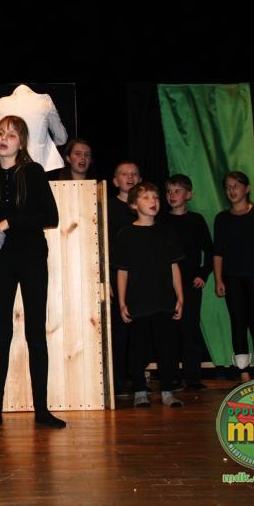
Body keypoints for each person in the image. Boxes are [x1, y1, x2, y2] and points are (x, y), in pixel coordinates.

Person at [0, 115, 65, 431]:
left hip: (33, 256)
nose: (4, 138)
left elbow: (51, 216)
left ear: (21, 142)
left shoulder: (34, 172)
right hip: (2, 259)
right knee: (0, 336)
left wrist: (10, 222)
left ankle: (42, 411)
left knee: (35, 334)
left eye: (12, 134)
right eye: (0, 132)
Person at [114, 181, 185, 408]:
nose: (153, 201)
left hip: (164, 299)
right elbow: (122, 271)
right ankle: (139, 391)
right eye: (146, 198)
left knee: (166, 347)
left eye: (155, 197)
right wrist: (122, 302)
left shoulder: (167, 232)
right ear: (133, 205)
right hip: (138, 300)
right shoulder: (126, 234)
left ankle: (167, 391)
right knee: (137, 347)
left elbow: (174, 266)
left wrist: (180, 297)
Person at [213, 171, 254, 381]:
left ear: (247, 188)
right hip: (232, 277)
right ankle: (243, 372)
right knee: (237, 321)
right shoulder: (222, 218)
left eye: (236, 186)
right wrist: (219, 279)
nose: (232, 190)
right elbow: (218, 252)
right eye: (228, 187)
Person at [162, 174, 213, 390]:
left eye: (177, 191)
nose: (172, 195)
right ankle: (172, 377)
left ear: (188, 195)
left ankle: (192, 377)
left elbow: (209, 250)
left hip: (191, 284)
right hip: (166, 285)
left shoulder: (196, 220)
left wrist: (203, 274)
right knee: (170, 332)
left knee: (190, 329)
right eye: (169, 191)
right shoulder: (161, 221)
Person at [107, 161, 141, 398]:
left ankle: (138, 380)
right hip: (116, 277)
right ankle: (118, 382)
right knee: (118, 334)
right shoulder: (107, 207)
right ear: (115, 181)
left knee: (141, 332)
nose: (130, 178)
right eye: (124, 174)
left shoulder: (147, 206)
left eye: (134, 174)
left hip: (143, 278)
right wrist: (106, 279)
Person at [0, 84, 68, 173]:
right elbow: (62, 138)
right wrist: (45, 145)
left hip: (2, 168)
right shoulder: (44, 101)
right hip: (41, 166)